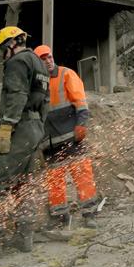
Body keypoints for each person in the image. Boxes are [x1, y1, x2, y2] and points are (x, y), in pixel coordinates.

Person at [0, 26, 48, 259]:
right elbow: (44, 101)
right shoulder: (39, 63)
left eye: (1, 52)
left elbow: (17, 95)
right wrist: (38, 130)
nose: (2, 56)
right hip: (35, 127)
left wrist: (7, 126)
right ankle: (24, 235)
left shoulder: (17, 62)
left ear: (10, 44)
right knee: (23, 183)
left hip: (21, 127)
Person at [35, 44, 98, 228]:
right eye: (43, 58)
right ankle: (59, 217)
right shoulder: (35, 83)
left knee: (82, 174)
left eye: (49, 57)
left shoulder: (66, 74)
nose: (48, 60)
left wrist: (81, 123)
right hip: (50, 142)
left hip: (72, 136)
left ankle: (89, 213)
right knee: (54, 181)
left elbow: (80, 101)